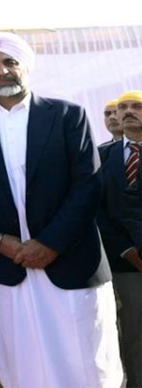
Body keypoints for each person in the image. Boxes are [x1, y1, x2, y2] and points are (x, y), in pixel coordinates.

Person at [0, 32, 121, 388]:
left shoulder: (67, 114)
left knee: (84, 357)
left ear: (25, 66)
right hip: (8, 264)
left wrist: (50, 243)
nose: (2, 71)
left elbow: (88, 185)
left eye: (10, 62)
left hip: (70, 258)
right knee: (23, 359)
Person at [97, 89, 142, 386]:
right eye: (122, 107)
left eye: (136, 106)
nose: (126, 111)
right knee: (134, 332)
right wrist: (126, 250)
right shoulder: (102, 156)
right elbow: (96, 210)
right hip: (125, 263)